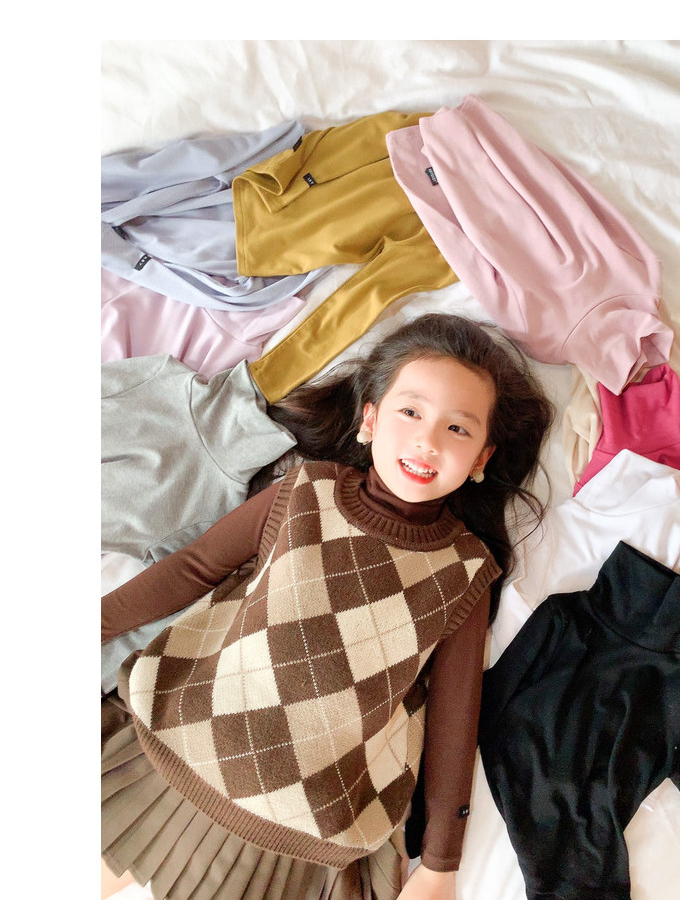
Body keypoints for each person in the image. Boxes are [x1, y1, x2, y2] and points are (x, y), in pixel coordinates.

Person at [101, 313, 554, 900]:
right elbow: (193, 568)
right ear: (370, 420)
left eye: (457, 429)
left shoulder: (466, 571)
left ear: (481, 459)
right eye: (410, 412)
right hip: (190, 730)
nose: (429, 441)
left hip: (309, 809)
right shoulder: (304, 491)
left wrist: (441, 863)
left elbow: (454, 719)